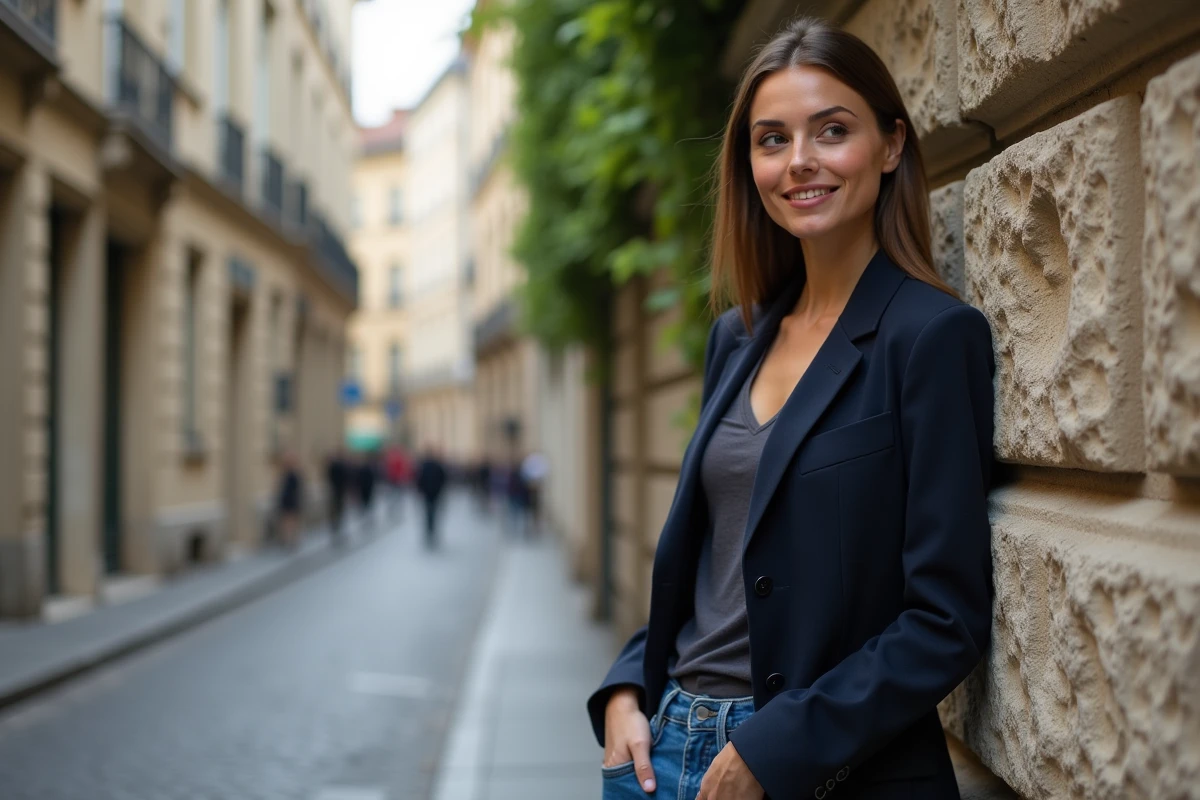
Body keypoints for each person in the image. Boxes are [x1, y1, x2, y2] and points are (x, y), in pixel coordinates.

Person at [589, 17, 995, 800]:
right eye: (772, 140)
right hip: (660, 754)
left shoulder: (932, 338)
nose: (799, 162)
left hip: (814, 772)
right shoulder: (735, 340)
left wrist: (774, 750)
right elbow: (708, 569)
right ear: (749, 165)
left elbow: (947, 621)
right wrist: (624, 689)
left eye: (831, 131)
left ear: (891, 145)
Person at [415, 446, 448, 549]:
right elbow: (443, 479)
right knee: (432, 513)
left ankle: (429, 531)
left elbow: (419, 480)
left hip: (428, 493)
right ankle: (431, 531)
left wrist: (420, 490)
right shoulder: (437, 466)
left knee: (428, 513)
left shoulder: (424, 466)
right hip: (435, 493)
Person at [275, 451, 303, 549]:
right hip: (286, 500)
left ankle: (291, 539)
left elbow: (298, 488)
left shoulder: (294, 474)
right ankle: (287, 538)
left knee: (291, 520)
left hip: (292, 499)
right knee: (286, 520)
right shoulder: (284, 474)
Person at [326, 448, 349, 543]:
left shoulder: (333, 466)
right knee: (338, 509)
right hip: (339, 491)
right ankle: (337, 525)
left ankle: (335, 525)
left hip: (335, 491)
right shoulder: (341, 466)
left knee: (336, 510)